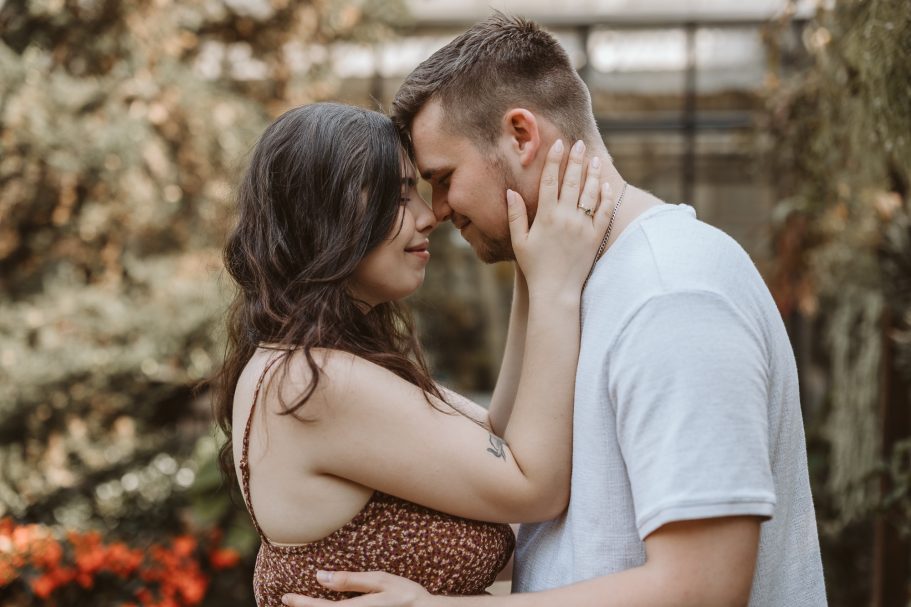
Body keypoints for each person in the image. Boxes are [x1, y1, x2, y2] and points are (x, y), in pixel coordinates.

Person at [282, 13, 827, 607]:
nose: (436, 210)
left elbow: (702, 587)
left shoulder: (673, 294)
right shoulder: (573, 285)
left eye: (442, 178)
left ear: (521, 135)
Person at [213, 102, 617, 606]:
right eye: (401, 194)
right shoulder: (312, 381)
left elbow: (496, 439)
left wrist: (528, 267)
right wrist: (556, 288)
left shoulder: (303, 362)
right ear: (329, 211)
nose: (429, 216)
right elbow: (532, 487)